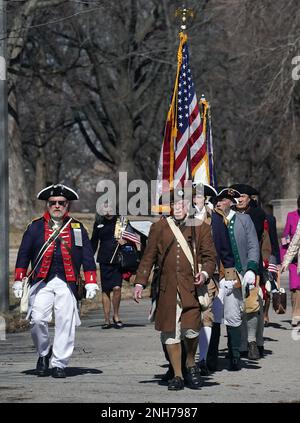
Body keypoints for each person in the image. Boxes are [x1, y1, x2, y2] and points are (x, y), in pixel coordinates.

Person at [133, 187, 216, 391]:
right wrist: (139, 282)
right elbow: (148, 257)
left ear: (188, 204)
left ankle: (190, 363)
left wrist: (204, 274)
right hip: (167, 289)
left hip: (191, 288)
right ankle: (178, 376)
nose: (177, 208)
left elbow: (210, 258)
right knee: (170, 333)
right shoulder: (159, 228)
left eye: (181, 203)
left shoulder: (201, 228)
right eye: (173, 204)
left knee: (191, 330)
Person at [12, 184, 99, 378]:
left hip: (67, 282)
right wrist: (18, 279)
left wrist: (91, 280)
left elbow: (87, 255)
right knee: (37, 319)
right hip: (42, 281)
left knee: (65, 322)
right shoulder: (34, 227)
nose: (57, 206)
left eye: (61, 203)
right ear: (47, 205)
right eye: (53, 203)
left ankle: (59, 363)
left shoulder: (77, 227)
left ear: (67, 205)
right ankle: (44, 353)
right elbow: (23, 254)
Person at [192, 183, 236, 374]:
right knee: (190, 317)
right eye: (193, 196)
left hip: (211, 274)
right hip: (187, 273)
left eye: (199, 196)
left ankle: (206, 360)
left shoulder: (216, 220)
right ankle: (188, 359)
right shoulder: (184, 218)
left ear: (206, 199)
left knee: (208, 316)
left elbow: (225, 249)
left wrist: (230, 276)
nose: (196, 200)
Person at [215, 187, 260, 370]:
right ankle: (210, 358)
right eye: (216, 200)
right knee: (214, 315)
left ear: (231, 202)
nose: (218, 203)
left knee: (234, 313)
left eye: (223, 200)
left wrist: (251, 269)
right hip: (215, 275)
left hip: (236, 273)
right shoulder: (211, 221)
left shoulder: (244, 220)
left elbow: (253, 246)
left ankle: (235, 355)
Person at [230, 183, 268, 359]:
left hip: (253, 265)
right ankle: (241, 343)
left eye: (242, 196)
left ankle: (253, 342)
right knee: (237, 308)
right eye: (236, 197)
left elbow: (260, 242)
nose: (239, 199)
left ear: (249, 198)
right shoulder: (227, 216)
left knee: (252, 305)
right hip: (232, 268)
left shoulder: (257, 215)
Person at [91, 202, 140, 329]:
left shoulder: (121, 222)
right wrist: (88, 258)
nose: (108, 210)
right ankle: (107, 319)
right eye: (105, 207)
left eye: (110, 207)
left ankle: (116, 315)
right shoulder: (99, 223)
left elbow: (133, 239)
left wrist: (125, 242)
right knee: (106, 290)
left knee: (117, 288)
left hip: (118, 260)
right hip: (104, 260)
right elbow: (94, 242)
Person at [281, 195, 300, 326]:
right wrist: (284, 256)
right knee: (296, 286)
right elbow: (285, 236)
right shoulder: (291, 215)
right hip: (293, 257)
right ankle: (296, 313)